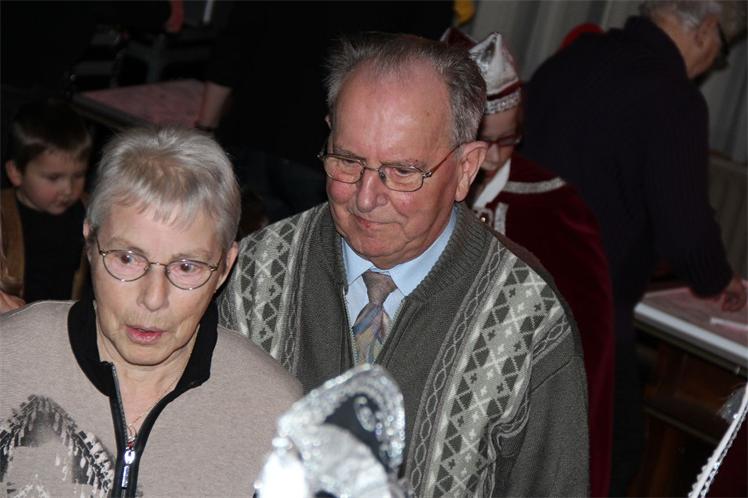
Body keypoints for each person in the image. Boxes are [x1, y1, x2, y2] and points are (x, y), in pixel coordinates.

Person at [219, 32, 589, 497]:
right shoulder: (253, 273)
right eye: (347, 160)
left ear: (466, 169)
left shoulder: (527, 319)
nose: (366, 197)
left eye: (402, 171)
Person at [521, 1, 747, 494]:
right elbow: (685, 234)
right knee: (618, 454)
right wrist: (718, 277)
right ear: (708, 31)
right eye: (722, 50)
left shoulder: (574, 58)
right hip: (588, 316)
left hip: (518, 290)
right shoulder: (674, 98)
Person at [0, 127, 301, 496]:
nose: (153, 299)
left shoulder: (275, 415)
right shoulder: (8, 356)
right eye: (127, 259)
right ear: (90, 243)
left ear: (225, 267)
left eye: (187, 267)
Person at [443, 28, 615, 497]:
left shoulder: (554, 206)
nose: (495, 157)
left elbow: (590, 342)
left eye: (509, 139)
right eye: (482, 143)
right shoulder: (420, 191)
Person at [1, 98, 92, 310]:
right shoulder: (3, 215)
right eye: (53, 178)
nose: (68, 189)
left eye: (78, 175)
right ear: (16, 173)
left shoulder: (88, 211)